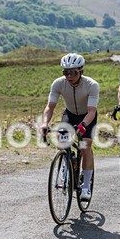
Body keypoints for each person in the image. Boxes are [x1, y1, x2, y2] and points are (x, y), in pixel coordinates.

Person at [39, 53, 99, 201]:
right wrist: (45, 123)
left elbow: (92, 111)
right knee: (61, 139)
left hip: (87, 117)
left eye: (73, 72)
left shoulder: (92, 85)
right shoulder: (58, 83)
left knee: (85, 146)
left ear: (81, 71)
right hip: (70, 114)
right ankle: (67, 162)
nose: (69, 76)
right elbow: (50, 107)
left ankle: (86, 186)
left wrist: (83, 125)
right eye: (66, 72)